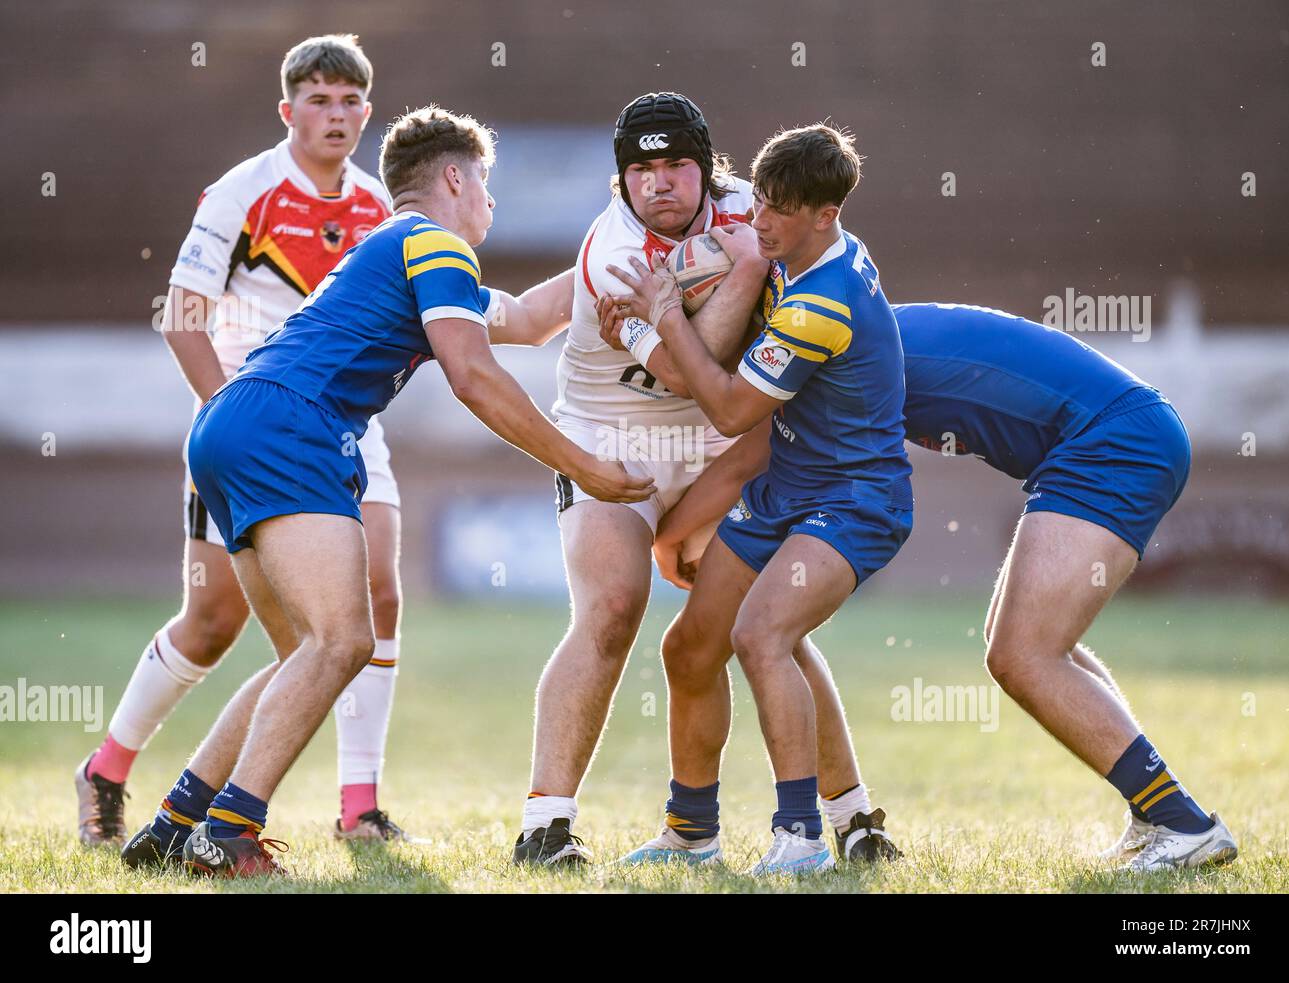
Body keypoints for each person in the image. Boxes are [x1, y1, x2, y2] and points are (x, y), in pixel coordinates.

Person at [120, 102, 652, 877]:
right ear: (454, 177)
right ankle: (229, 833)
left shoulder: (397, 247)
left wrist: (625, 247)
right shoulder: (436, 245)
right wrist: (585, 466)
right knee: (346, 642)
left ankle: (175, 824)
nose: (492, 205)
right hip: (289, 426)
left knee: (305, 653)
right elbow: (473, 375)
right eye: (487, 186)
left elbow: (535, 319)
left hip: (231, 420)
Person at [645, 301, 1238, 872]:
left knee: (1023, 656)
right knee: (1023, 649)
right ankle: (1155, 809)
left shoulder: (814, 352)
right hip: (1111, 434)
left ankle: (1182, 823)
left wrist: (669, 536)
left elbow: (749, 454)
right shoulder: (837, 328)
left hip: (1112, 443)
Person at [76, 34, 422, 846]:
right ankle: (108, 768)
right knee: (213, 622)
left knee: (379, 595)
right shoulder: (243, 191)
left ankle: (358, 806)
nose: (334, 116)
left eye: (348, 102)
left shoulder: (378, 204)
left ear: (367, 114)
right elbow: (183, 317)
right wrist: (233, 407)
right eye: (318, 99)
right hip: (249, 426)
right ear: (287, 109)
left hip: (341, 429)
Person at [603, 123, 913, 874]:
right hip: (789, 484)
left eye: (777, 209)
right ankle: (693, 832)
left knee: (763, 635)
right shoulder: (800, 248)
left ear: (824, 214)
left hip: (855, 500)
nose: (759, 220)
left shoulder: (820, 303)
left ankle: (802, 836)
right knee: (689, 645)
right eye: (761, 201)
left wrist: (663, 317)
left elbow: (733, 411)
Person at [509, 92, 772, 867]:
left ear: (706, 167)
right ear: (621, 181)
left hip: (713, 445)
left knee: (763, 620)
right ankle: (545, 826)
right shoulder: (612, 254)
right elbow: (694, 374)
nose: (659, 182)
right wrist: (751, 267)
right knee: (613, 610)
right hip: (610, 439)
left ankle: (846, 814)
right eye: (641, 169)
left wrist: (759, 256)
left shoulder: (751, 214)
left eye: (676, 165)